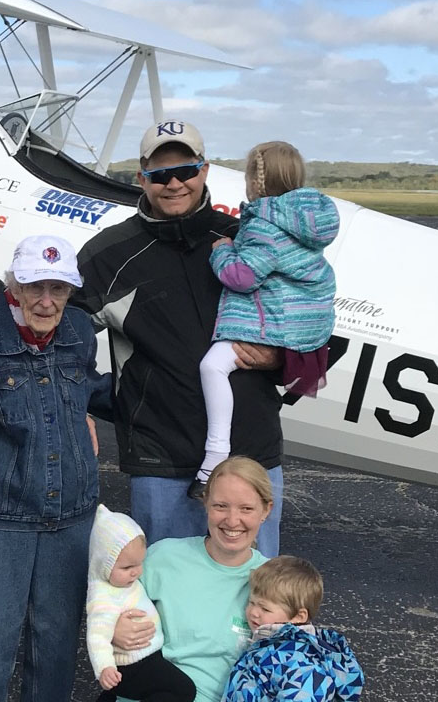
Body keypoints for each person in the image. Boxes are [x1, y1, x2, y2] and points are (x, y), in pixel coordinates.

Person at [74, 119, 287, 552]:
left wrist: (278, 359)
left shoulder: (244, 240)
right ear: (142, 179)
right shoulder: (107, 256)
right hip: (162, 460)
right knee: (165, 600)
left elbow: (312, 329)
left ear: (205, 171)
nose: (174, 183)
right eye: (159, 175)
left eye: (186, 171)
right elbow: (61, 342)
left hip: (251, 455)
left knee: (258, 604)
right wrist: (85, 403)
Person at [0, 235, 112, 702]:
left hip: (71, 522)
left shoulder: (79, 333)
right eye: (34, 287)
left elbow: (82, 392)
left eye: (59, 289)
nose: (47, 302)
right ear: (14, 285)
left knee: (55, 656)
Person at [192, 142, 339, 496]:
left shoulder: (265, 224)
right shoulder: (305, 219)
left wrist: (222, 250)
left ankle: (214, 455)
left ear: (254, 182)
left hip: (275, 324)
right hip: (302, 323)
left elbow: (242, 277)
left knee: (212, 366)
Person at [110, 456, 275, 702]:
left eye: (246, 509)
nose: (232, 520)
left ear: (266, 510)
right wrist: (114, 627)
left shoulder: (274, 581)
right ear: (205, 503)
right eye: (221, 506)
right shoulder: (163, 556)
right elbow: (107, 601)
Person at [86, 504, 195, 702]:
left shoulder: (123, 581)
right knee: (184, 690)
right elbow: (97, 636)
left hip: (146, 657)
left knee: (167, 693)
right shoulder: (103, 597)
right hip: (131, 665)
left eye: (139, 563)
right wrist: (105, 668)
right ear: (104, 565)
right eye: (127, 567)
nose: (136, 572)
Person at [223, 556, 365, 702]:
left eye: (265, 608)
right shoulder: (270, 645)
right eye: (251, 602)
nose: (253, 612)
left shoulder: (298, 661)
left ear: (299, 616)